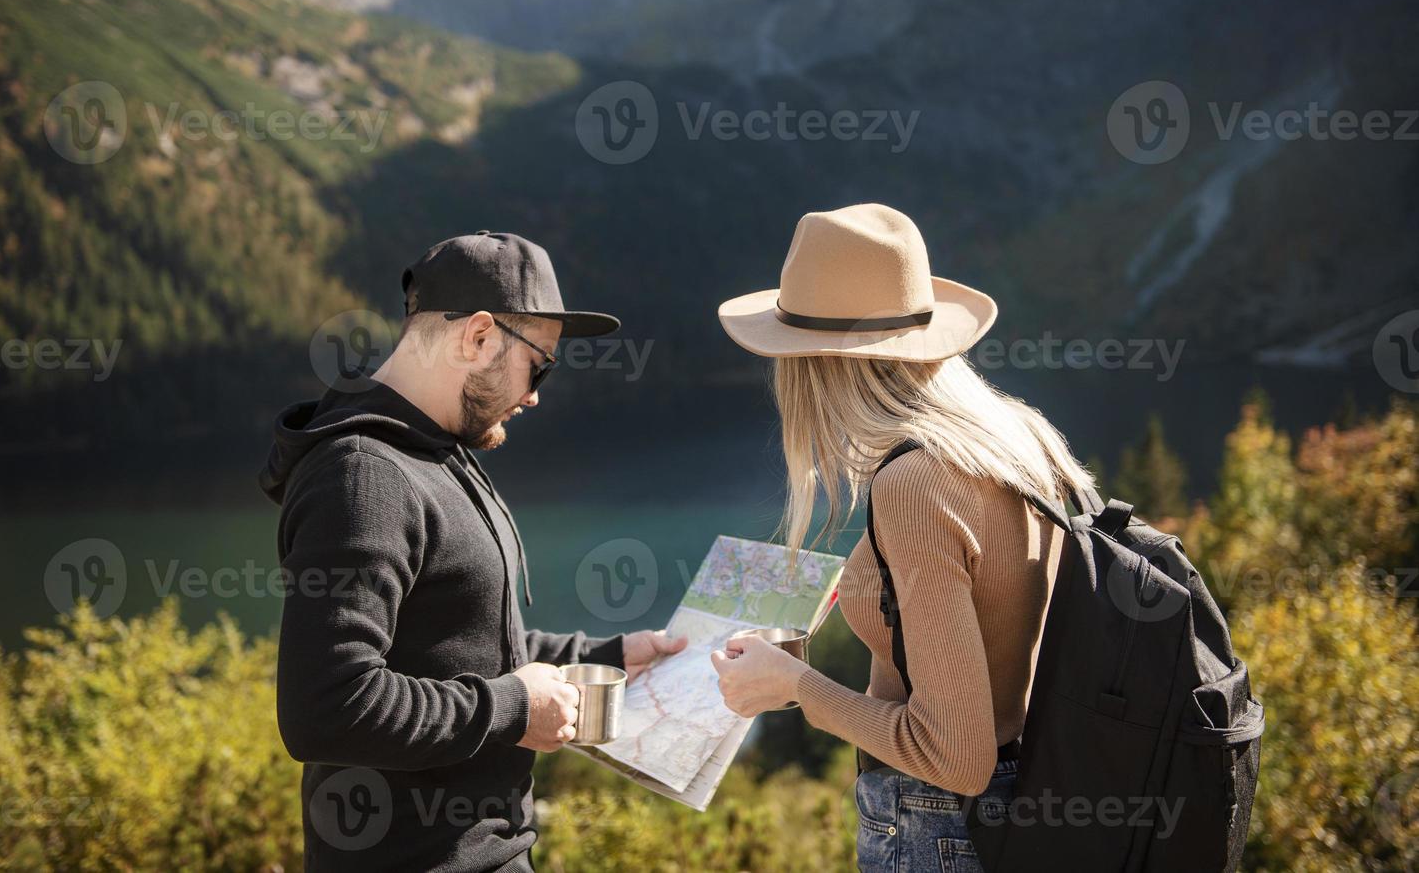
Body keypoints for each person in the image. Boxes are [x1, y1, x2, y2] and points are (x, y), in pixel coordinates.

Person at [259, 231, 687, 872]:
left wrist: (602, 658)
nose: (537, 392)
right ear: (479, 336)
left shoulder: (437, 451)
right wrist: (515, 709)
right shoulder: (364, 476)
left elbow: (459, 642)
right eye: (539, 365)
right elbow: (325, 709)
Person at [708, 204, 1094, 871]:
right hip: (1025, 809)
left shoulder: (914, 485)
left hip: (942, 832)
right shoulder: (1015, 438)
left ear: (817, 365)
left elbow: (958, 757)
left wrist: (797, 685)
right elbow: (986, 603)